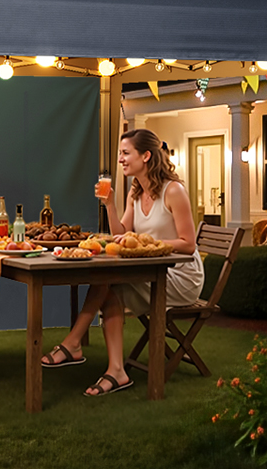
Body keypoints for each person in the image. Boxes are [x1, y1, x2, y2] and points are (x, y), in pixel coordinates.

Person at [40, 128, 203, 396]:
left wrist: (148, 244)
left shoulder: (174, 191)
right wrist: (109, 205)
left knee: (108, 283)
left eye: (126, 153)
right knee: (109, 285)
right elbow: (121, 235)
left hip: (180, 276)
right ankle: (115, 369)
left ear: (147, 156)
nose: (121, 160)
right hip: (150, 270)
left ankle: (74, 344)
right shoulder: (135, 192)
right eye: (120, 154)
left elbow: (188, 244)